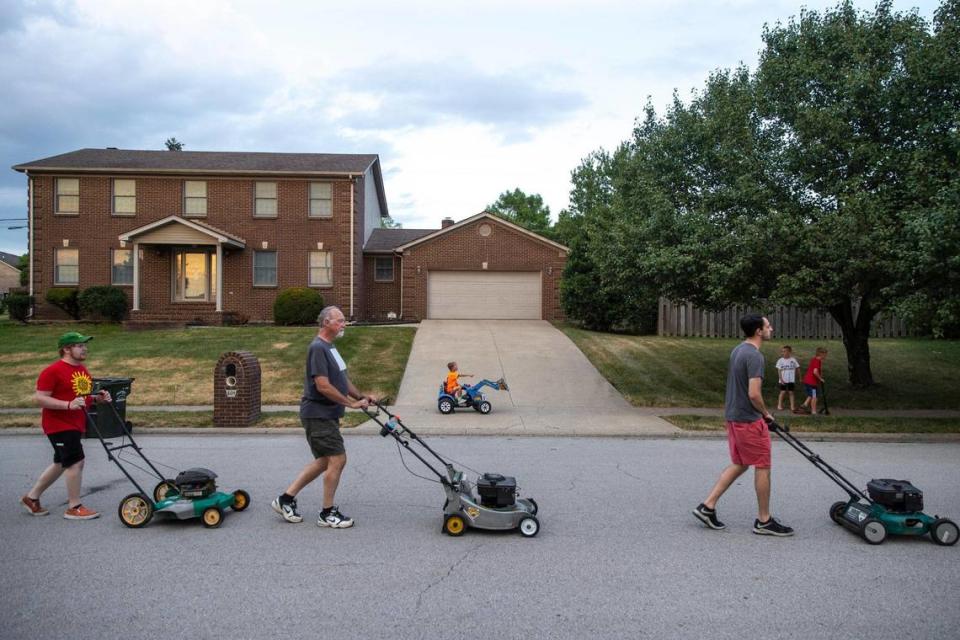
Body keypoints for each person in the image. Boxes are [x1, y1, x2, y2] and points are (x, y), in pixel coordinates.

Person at [272, 306, 374, 528]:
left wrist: (361, 396)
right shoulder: (318, 348)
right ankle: (327, 514)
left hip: (324, 414)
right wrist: (350, 404)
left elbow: (341, 379)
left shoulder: (330, 347)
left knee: (323, 462)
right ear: (327, 322)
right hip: (318, 414)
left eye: (343, 320)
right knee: (338, 459)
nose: (343, 324)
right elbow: (323, 385)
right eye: (340, 320)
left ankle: (285, 499)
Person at [692, 314, 794, 537]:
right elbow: (754, 393)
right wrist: (766, 414)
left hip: (733, 416)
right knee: (763, 466)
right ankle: (764, 521)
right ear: (758, 331)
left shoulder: (738, 349)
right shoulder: (755, 356)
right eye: (767, 326)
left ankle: (707, 507)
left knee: (740, 463)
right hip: (748, 420)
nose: (771, 328)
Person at [21, 331, 111, 520]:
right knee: (76, 461)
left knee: (62, 462)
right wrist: (68, 406)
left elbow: (82, 397)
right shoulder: (52, 371)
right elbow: (41, 398)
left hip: (75, 423)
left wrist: (98, 398)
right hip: (58, 424)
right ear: (66, 349)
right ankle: (74, 506)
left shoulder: (82, 370)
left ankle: (32, 498)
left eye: (85, 345)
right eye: (80, 345)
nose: (85, 348)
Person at [799, 347, 828, 415]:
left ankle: (804, 405)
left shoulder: (814, 359)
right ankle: (813, 411)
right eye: (825, 354)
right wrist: (820, 378)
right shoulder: (817, 361)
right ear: (821, 354)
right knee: (815, 397)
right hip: (812, 383)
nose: (826, 356)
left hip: (808, 381)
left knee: (811, 394)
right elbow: (815, 372)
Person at [775, 345, 800, 412]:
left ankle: (792, 406)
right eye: (782, 351)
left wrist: (800, 377)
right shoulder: (780, 360)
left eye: (785, 351)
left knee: (791, 392)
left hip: (791, 380)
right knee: (782, 392)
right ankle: (779, 405)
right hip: (783, 380)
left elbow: (797, 368)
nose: (783, 353)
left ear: (789, 352)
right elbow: (779, 371)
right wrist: (781, 379)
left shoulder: (793, 360)